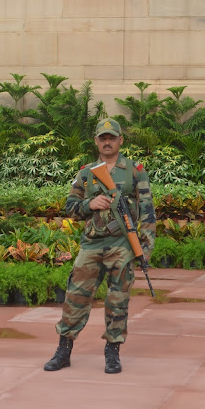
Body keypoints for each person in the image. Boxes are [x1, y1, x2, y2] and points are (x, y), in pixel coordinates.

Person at [44, 118, 156, 374]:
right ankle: (64, 350)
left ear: (120, 141)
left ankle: (112, 353)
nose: (107, 142)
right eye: (103, 138)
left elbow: (148, 212)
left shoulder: (135, 171)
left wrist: (145, 248)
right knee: (75, 297)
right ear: (96, 141)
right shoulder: (86, 173)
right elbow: (71, 209)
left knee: (118, 300)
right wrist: (89, 205)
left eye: (112, 138)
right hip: (92, 244)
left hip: (122, 246)